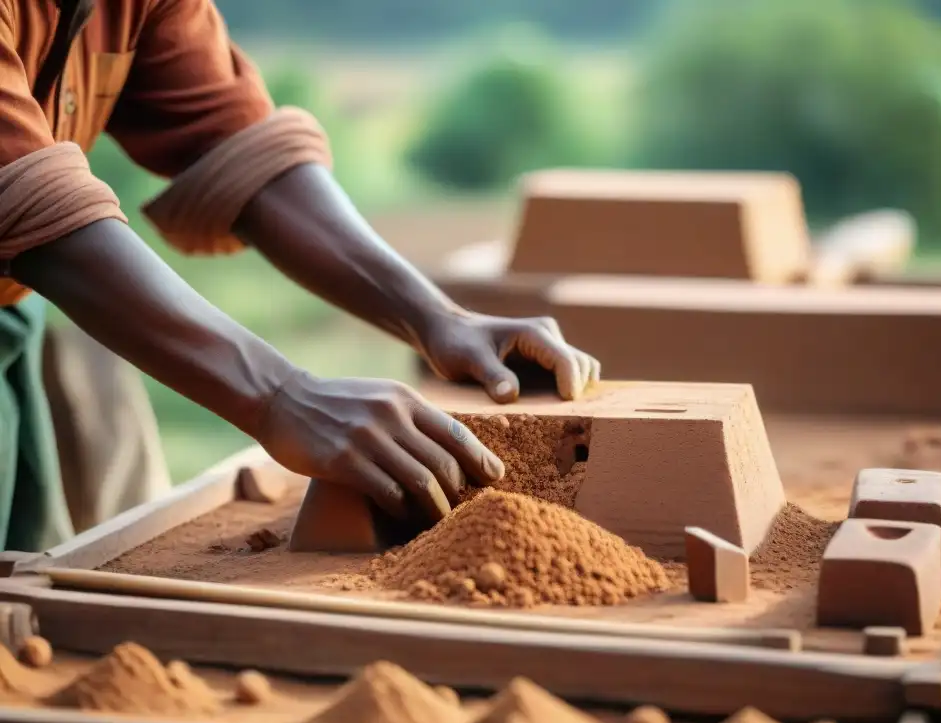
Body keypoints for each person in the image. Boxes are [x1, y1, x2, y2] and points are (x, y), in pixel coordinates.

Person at [0, 0, 600, 552]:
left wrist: (438, 318)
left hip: (13, 304)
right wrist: (280, 396)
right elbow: (36, 208)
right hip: (35, 272)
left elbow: (235, 142)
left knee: (26, 574)